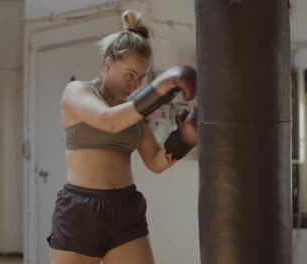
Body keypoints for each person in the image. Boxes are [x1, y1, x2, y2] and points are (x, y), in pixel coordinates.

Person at [47, 10, 198, 264]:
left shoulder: (132, 114)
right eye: (130, 74)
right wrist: (162, 87)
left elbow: (155, 162)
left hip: (125, 210)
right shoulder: (77, 92)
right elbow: (109, 121)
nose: (135, 85)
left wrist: (183, 139)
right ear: (108, 64)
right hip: (80, 211)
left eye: (141, 78)